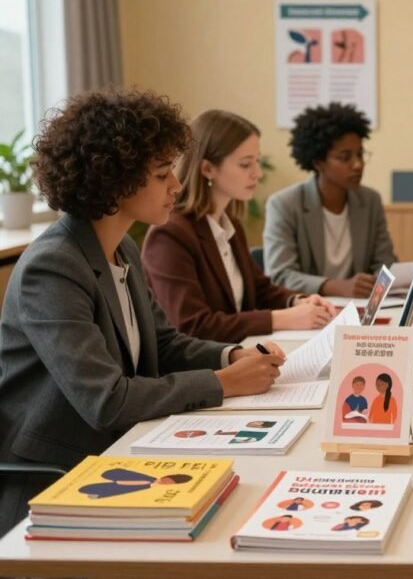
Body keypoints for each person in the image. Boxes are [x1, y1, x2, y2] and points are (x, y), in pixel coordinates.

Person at [0, 89, 285, 536]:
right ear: (112, 182)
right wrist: (220, 383)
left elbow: (165, 342)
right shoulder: (52, 266)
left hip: (120, 457)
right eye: (160, 173)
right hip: (56, 481)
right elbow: (106, 401)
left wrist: (230, 356)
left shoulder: (121, 247)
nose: (176, 184)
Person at [143, 110, 337, 343]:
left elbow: (259, 289)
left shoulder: (229, 224)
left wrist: (298, 301)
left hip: (237, 355)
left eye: (256, 161)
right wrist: (283, 318)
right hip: (201, 372)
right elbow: (192, 326)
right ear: (207, 169)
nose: (258, 173)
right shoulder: (170, 235)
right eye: (246, 164)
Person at [263, 103, 397, 297]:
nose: (358, 164)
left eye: (360, 154)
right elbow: (280, 275)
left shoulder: (370, 201)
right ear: (318, 162)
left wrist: (378, 282)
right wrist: (335, 286)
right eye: (345, 157)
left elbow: (385, 263)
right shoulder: (285, 204)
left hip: (359, 309)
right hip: (308, 310)